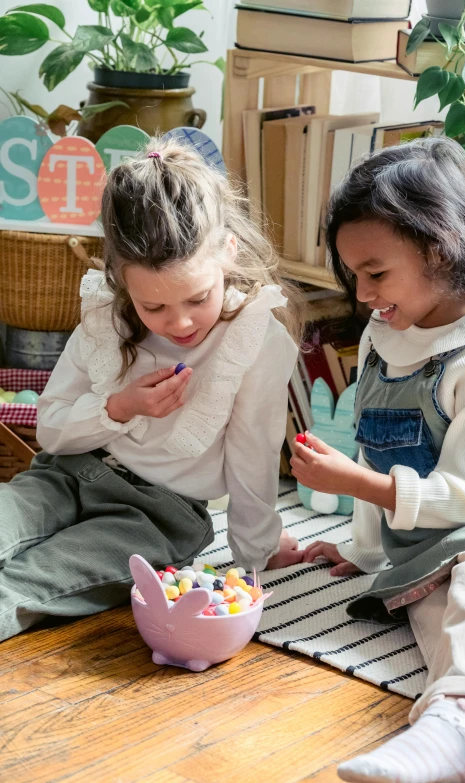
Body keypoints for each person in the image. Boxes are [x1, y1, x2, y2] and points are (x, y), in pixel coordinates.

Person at [0, 137, 303, 643]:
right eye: (153, 308)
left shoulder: (254, 338)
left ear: (228, 253)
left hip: (158, 516)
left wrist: (258, 551)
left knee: (31, 582)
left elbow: (254, 453)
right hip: (69, 472)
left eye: (197, 298)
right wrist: (118, 407)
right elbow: (51, 432)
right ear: (121, 283)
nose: (179, 322)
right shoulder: (106, 319)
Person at [291, 137, 465, 783]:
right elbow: (374, 443)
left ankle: (448, 726)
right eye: (352, 275)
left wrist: (355, 481)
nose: (362, 292)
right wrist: (366, 550)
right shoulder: (382, 335)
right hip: (430, 541)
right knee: (428, 610)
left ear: (439, 250)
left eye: (376, 272)